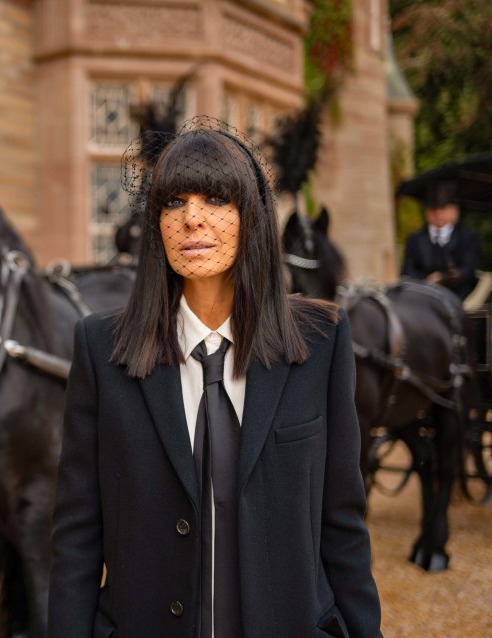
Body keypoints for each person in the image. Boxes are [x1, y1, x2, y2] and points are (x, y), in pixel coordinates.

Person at [48, 124, 381, 637]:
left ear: (253, 216)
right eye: (173, 201)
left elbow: (343, 527)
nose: (192, 218)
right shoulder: (100, 350)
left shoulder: (320, 343)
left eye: (216, 198)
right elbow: (76, 537)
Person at [400, 181, 479, 300]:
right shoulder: (414, 239)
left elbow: (468, 268)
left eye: (443, 208)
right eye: (433, 209)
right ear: (426, 212)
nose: (438, 214)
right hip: (423, 293)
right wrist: (427, 279)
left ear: (454, 211)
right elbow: (407, 270)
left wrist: (450, 277)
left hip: (459, 295)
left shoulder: (467, 237)